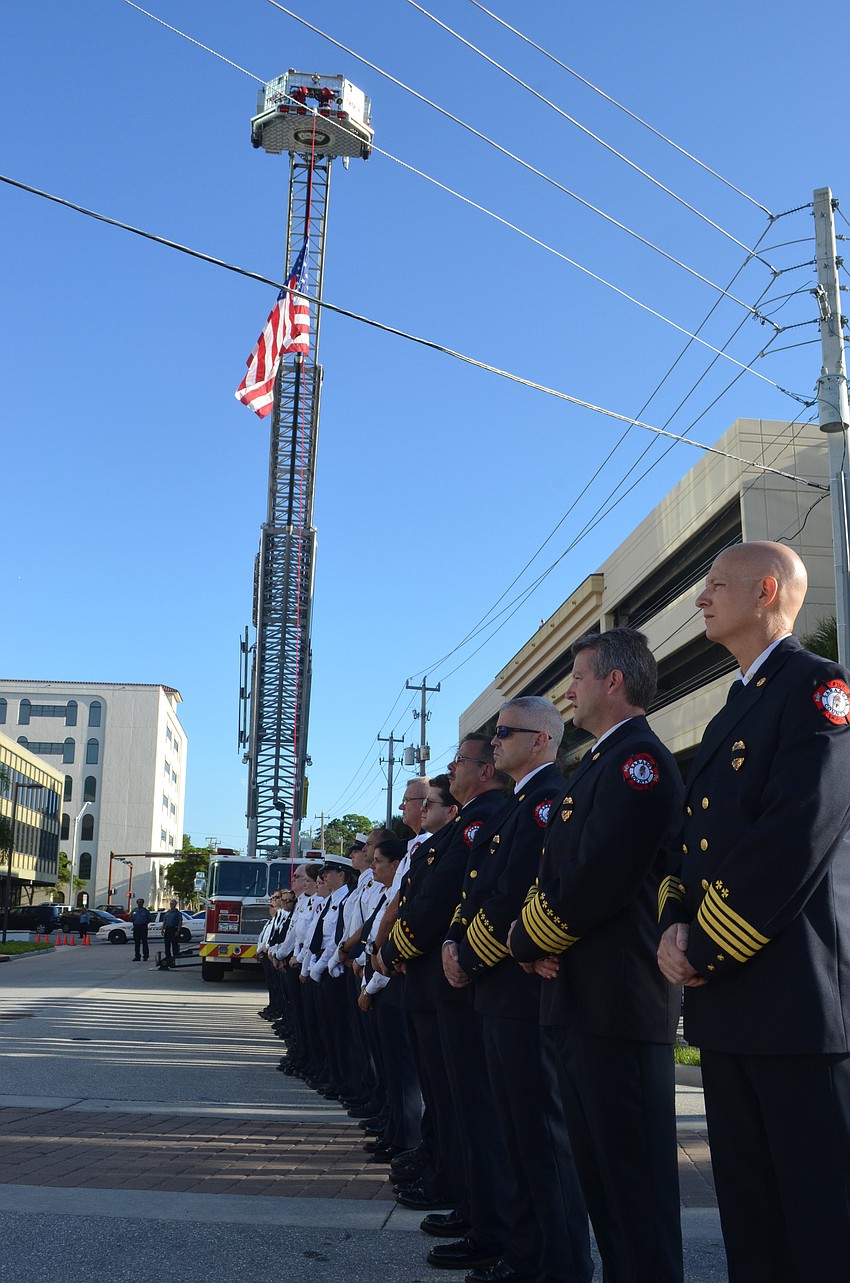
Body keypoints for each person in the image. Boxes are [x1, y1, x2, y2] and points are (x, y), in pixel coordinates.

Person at [657, 541, 850, 1283]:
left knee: (817, 1216)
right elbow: (690, 843)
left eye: (714, 585)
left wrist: (703, 943)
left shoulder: (817, 690)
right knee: (751, 1214)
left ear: (766, 589)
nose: (701, 599)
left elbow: (795, 834)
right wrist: (673, 926)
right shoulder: (736, 706)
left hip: (794, 1003)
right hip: (730, 1000)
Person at [510, 634, 684, 1283]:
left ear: (613, 681)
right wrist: (530, 945)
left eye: (578, 676)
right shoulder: (601, 764)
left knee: (635, 1203)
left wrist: (525, 941)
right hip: (582, 1000)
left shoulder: (640, 764)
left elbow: (595, 878)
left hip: (617, 1005)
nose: (568, 691)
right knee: (607, 1196)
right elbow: (553, 876)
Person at [446, 702, 592, 1283]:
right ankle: (525, 1257)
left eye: (505, 732)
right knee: (515, 1136)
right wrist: (460, 948)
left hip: (522, 987)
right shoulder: (517, 805)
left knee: (542, 1140)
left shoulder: (547, 801)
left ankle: (559, 1267)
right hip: (498, 986)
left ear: (540, 741)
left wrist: (468, 954)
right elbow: (477, 889)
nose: (495, 741)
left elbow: (515, 893)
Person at [162, 900, 183, 968]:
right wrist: (162, 929)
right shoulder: (168, 912)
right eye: (170, 903)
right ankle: (168, 957)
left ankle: (175, 958)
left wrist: (178, 931)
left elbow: (180, 922)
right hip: (167, 929)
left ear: (175, 904)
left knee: (174, 944)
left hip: (174, 929)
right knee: (167, 944)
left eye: (173, 904)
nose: (171, 905)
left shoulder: (177, 913)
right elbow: (164, 921)